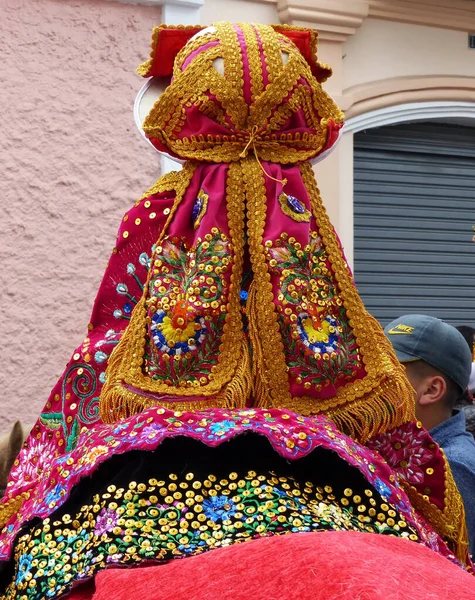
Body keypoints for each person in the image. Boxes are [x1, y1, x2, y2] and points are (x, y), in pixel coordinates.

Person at [0, 23, 472, 599]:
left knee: (36, 507)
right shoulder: (308, 220)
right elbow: (342, 333)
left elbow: (113, 327)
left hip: (159, 418)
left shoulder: (152, 216)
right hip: (311, 423)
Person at [385, 314, 475, 556]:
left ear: (431, 390)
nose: (369, 381)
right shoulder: (402, 450)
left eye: (386, 372)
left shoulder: (451, 468)